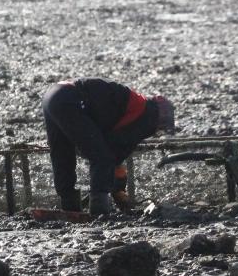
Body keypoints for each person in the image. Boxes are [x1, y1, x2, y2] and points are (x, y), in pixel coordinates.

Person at [41, 78, 175, 215]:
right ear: (162, 117)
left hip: (52, 96)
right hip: (71, 100)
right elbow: (114, 149)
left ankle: (69, 206)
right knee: (101, 156)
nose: (157, 131)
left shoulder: (137, 103)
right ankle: (99, 210)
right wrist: (118, 188)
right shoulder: (148, 116)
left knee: (62, 154)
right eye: (161, 127)